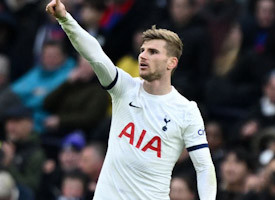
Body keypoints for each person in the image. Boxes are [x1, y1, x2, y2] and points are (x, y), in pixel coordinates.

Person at [45, 0, 217, 199]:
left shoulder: (186, 110)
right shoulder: (125, 88)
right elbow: (94, 54)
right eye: (143, 50)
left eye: (153, 52)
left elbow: (204, 167)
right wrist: (65, 19)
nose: (143, 56)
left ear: (172, 62)